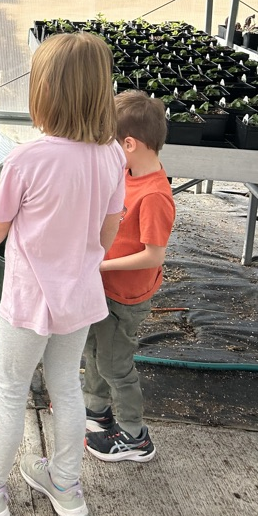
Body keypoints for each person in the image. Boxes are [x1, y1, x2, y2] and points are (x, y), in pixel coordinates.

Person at [0, 32, 126, 516]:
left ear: (44, 92)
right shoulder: (112, 157)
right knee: (66, 383)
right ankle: (64, 483)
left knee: (12, 387)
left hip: (30, 299)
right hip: (80, 295)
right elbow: (107, 232)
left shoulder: (27, 159)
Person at [83, 89, 175, 463]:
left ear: (131, 143)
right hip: (104, 288)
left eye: (111, 143)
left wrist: (101, 265)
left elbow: (153, 256)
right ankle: (96, 409)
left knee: (116, 364)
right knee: (93, 349)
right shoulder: (126, 171)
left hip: (125, 297)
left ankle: (136, 436)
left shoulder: (154, 195)